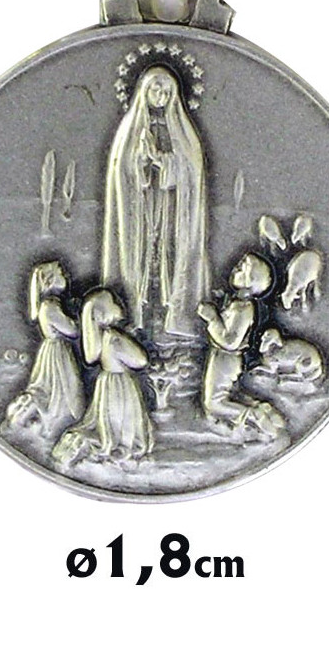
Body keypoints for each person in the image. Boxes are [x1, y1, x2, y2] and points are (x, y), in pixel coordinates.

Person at [102, 65, 209, 337]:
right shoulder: (131, 130)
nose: (160, 96)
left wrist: (162, 161)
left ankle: (171, 317)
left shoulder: (182, 131)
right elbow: (123, 170)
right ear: (144, 92)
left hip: (172, 208)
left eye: (166, 92)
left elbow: (190, 170)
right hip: (141, 206)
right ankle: (136, 314)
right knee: (141, 254)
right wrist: (140, 162)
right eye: (155, 90)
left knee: (168, 256)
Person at [52, 290, 152, 466]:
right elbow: (140, 360)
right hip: (121, 384)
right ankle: (123, 445)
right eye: (113, 302)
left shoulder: (102, 337)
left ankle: (111, 441)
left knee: (109, 416)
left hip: (106, 382)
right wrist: (130, 340)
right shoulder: (113, 337)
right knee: (121, 415)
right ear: (102, 313)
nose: (118, 304)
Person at [197, 253, 284, 439]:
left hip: (226, 358)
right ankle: (258, 411)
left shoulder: (243, 309)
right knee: (223, 397)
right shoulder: (237, 304)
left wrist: (212, 319)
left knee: (214, 403)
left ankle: (254, 417)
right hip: (222, 357)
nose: (236, 268)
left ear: (250, 282)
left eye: (242, 269)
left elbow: (230, 342)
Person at [4, 261, 84, 439]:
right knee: (61, 387)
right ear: (49, 281)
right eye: (60, 273)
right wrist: (80, 318)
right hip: (57, 353)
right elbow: (72, 330)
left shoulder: (51, 305)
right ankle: (59, 418)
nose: (65, 276)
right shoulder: (50, 307)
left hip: (56, 349)